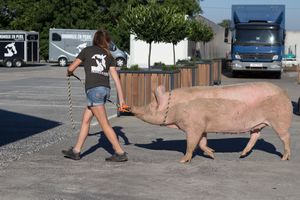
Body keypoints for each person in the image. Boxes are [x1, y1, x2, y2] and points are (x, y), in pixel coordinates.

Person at [62, 29, 128, 162]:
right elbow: (116, 80)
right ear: (106, 41)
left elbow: (71, 68)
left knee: (104, 124)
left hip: (94, 91)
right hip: (104, 90)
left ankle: (120, 152)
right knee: (86, 121)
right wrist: (121, 100)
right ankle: (76, 151)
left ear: (95, 40)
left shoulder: (87, 50)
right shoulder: (109, 56)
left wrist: (69, 72)